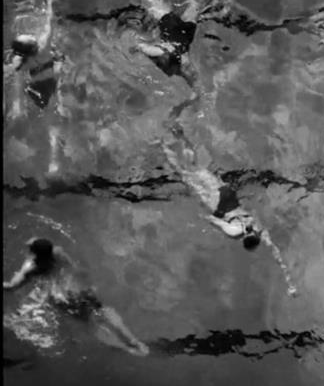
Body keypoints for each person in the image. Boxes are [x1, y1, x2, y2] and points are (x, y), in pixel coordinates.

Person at [162, 125, 299, 297]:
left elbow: (277, 254)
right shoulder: (235, 231)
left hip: (228, 195)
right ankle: (164, 147)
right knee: (185, 174)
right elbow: (213, 220)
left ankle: (179, 138)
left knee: (195, 168)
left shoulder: (258, 229)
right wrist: (200, 212)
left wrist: (290, 282)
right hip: (217, 203)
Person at [2, 237, 149, 356]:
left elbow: (11, 287)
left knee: (90, 324)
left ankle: (123, 347)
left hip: (61, 298)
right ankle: (132, 340)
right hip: (78, 290)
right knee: (103, 312)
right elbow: (75, 270)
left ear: (34, 255)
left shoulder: (31, 270)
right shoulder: (58, 252)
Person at [131, 0, 236, 99]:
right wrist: (139, 47)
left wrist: (192, 100)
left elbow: (195, 85)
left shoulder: (180, 66)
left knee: (198, 3)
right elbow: (154, 50)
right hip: (171, 30)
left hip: (185, 35)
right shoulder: (170, 59)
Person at [4, 0, 66, 175]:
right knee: (53, 121)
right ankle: (54, 163)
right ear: (35, 46)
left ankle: (17, 111)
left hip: (33, 86)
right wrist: (49, 2)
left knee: (21, 83)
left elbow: (15, 78)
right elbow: (49, 23)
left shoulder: (18, 62)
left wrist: (17, 104)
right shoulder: (44, 48)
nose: (31, 35)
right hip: (49, 84)